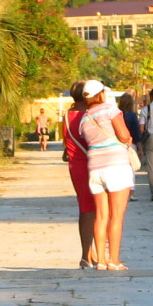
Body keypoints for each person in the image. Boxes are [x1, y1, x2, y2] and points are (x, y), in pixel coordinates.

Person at [79, 79, 135, 270]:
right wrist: (128, 140)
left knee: (101, 216)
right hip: (116, 166)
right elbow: (124, 135)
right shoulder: (110, 110)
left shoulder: (84, 119)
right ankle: (114, 260)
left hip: (95, 168)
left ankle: (100, 261)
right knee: (117, 216)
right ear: (101, 93)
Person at [61, 82, 99, 268]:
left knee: (85, 209)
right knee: (100, 209)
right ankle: (98, 254)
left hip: (76, 166)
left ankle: (86, 255)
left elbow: (66, 142)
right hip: (94, 163)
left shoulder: (67, 116)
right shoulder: (90, 115)